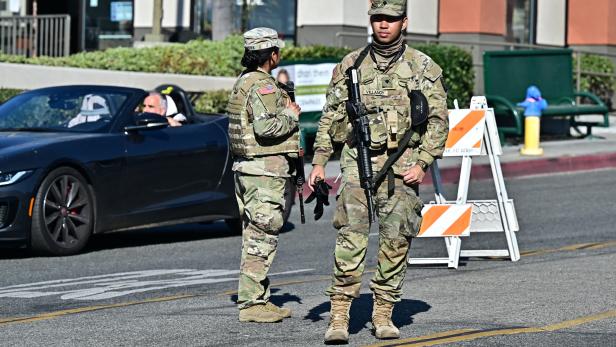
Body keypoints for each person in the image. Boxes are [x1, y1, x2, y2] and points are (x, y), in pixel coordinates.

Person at [308, 0, 448, 343]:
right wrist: (319, 161)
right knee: (350, 238)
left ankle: (383, 312)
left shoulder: (422, 67)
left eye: (391, 19)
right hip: (358, 163)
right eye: (378, 18)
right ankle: (339, 315)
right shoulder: (351, 64)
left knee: (396, 240)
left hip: (402, 167)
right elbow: (331, 115)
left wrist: (423, 161)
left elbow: (439, 121)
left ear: (404, 21)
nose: (384, 25)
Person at [226, 27, 301, 323]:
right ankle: (251, 304)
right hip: (263, 171)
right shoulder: (262, 86)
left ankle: (257, 297)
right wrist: (291, 115)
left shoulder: (244, 81)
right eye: (276, 51)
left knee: (254, 234)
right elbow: (265, 129)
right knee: (263, 235)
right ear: (272, 54)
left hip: (249, 169)